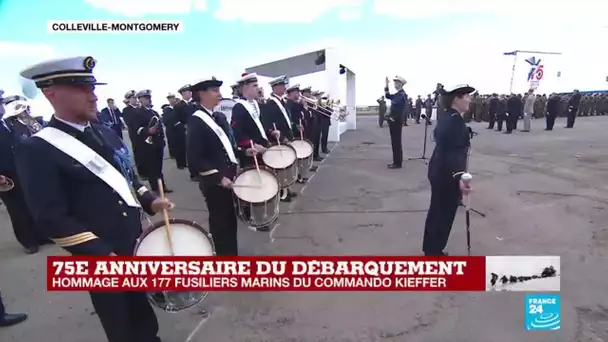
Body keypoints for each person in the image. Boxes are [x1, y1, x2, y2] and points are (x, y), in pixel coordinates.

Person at [15, 56, 175, 342]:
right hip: (101, 257)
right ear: (51, 94)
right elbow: (50, 217)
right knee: (122, 326)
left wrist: (151, 200)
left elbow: (128, 179)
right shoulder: (37, 149)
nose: (93, 95)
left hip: (134, 243)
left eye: (92, 86)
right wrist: (103, 253)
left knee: (145, 319)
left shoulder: (104, 132)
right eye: (81, 88)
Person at [187, 77, 254, 256]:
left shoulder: (217, 117)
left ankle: (231, 255)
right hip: (216, 183)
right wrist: (217, 177)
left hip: (229, 177)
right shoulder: (196, 121)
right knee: (220, 224)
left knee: (230, 221)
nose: (220, 95)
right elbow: (195, 158)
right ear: (202, 94)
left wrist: (244, 152)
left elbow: (227, 147)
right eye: (215, 91)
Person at [423, 84, 474, 256]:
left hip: (439, 170)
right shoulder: (455, 121)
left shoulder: (448, 116)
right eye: (466, 96)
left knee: (436, 211)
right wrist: (460, 178)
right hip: (447, 174)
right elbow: (453, 153)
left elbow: (445, 141)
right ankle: (435, 252)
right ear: (456, 99)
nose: (469, 99)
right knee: (444, 214)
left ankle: (430, 248)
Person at [0, 96, 49, 254]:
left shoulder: (7, 124)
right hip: (4, 174)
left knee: (29, 202)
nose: (2, 106)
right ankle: (28, 241)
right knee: (16, 208)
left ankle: (39, 235)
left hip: (18, 168)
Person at [130, 90, 172, 194]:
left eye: (149, 97)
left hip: (158, 143)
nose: (149, 99)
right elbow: (135, 128)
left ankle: (161, 186)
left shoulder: (154, 112)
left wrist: (162, 140)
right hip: (147, 144)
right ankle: (156, 188)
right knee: (152, 167)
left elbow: (160, 127)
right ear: (140, 99)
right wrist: (147, 130)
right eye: (145, 98)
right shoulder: (137, 112)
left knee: (158, 167)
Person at [384, 75, 407, 169]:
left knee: (396, 142)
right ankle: (396, 161)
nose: (395, 84)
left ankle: (398, 163)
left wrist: (393, 118)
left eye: (397, 82)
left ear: (401, 84)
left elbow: (401, 109)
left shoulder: (402, 95)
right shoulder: (397, 94)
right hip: (393, 121)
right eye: (394, 82)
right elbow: (387, 95)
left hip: (396, 122)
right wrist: (386, 85)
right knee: (394, 142)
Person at [122, 90, 146, 179]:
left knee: (146, 153)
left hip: (144, 133)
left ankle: (148, 170)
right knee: (139, 153)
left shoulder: (140, 108)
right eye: (133, 98)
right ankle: (142, 173)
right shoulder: (127, 110)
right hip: (135, 134)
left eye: (136, 98)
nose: (135, 99)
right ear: (128, 100)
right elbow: (130, 122)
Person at [162, 94, 187, 169]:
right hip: (173, 131)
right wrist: (176, 123)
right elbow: (166, 120)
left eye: (173, 98)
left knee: (183, 147)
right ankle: (180, 164)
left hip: (181, 130)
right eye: (170, 99)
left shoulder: (178, 107)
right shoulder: (167, 110)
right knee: (177, 147)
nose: (172, 100)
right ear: (168, 100)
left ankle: (184, 162)